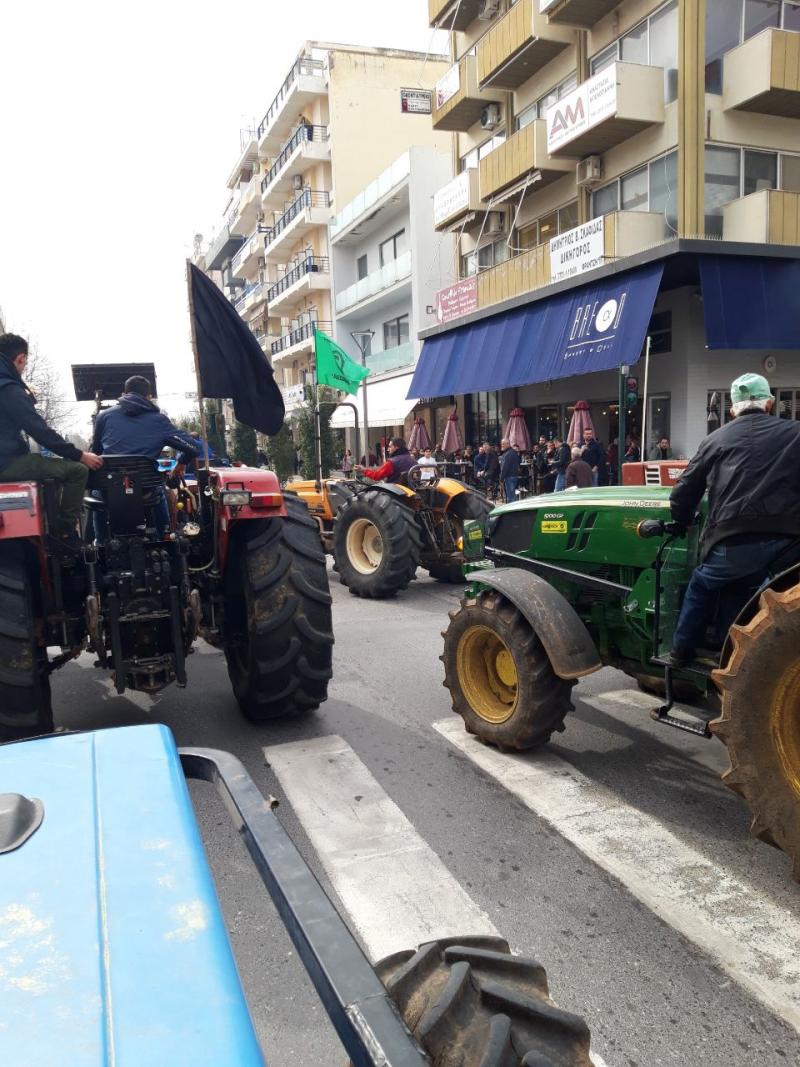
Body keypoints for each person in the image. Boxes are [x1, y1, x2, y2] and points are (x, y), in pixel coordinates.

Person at [668, 373, 800, 666]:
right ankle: (728, 647)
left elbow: (683, 493)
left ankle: (680, 652)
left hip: (736, 541)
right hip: (791, 546)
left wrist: (681, 521)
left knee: (702, 584)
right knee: (739, 585)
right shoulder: (796, 433)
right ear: (769, 403)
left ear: (732, 409)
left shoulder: (715, 440)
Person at [0, 333, 103, 546]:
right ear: (19, 358)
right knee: (76, 471)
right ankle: (65, 534)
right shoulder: (9, 388)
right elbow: (39, 430)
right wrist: (80, 455)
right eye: (25, 362)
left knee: (50, 471)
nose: (24, 367)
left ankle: (50, 521)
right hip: (6, 463)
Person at [92, 374, 200, 533]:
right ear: (149, 397)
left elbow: (96, 452)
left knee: (96, 496)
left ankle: (99, 544)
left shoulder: (104, 417)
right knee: (159, 492)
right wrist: (181, 464)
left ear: (124, 394)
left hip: (111, 489)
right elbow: (192, 447)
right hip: (145, 490)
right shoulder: (159, 420)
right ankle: (164, 535)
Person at [499, 438, 521, 503]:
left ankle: (511, 511)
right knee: (511, 495)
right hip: (513, 476)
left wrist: (501, 478)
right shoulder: (512, 452)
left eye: (503, 444)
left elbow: (505, 467)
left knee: (510, 497)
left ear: (508, 444)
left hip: (509, 477)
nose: (502, 445)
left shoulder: (508, 454)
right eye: (501, 443)